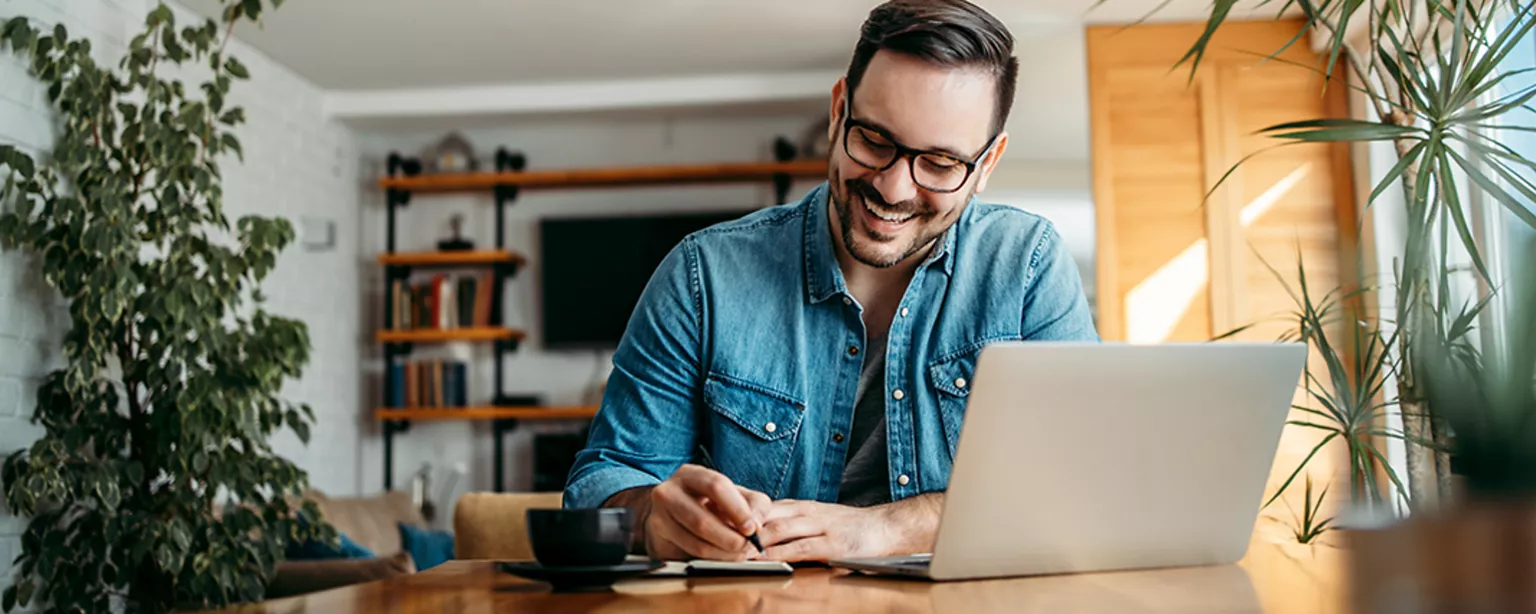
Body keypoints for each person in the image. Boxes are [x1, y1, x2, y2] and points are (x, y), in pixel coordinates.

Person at [562, 0, 1098, 563]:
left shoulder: (1028, 265)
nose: (893, 189)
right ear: (840, 111)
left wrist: (888, 529)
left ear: (987, 165)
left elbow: (1083, 482)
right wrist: (649, 516)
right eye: (874, 139)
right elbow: (601, 485)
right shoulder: (703, 275)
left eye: (940, 163)